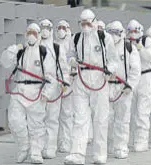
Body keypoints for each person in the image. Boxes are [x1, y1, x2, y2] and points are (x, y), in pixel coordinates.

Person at [64, 9, 118, 165]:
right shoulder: (76, 38)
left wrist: (110, 70)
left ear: (94, 22)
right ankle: (77, 154)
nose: (85, 26)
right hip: (81, 79)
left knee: (100, 118)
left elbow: (114, 60)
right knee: (79, 118)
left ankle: (100, 155)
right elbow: (70, 55)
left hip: (100, 79)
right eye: (83, 23)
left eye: (88, 22)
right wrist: (72, 61)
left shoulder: (104, 38)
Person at [0, 23, 57, 164]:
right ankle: (23, 146)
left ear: (38, 36)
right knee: (15, 121)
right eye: (29, 32)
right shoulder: (21, 51)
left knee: (36, 124)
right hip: (19, 91)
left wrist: (46, 93)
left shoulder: (44, 52)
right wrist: (14, 49)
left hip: (36, 93)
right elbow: (5, 62)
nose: (31, 35)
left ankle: (36, 152)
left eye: (34, 32)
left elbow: (51, 77)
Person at [107, 21, 141, 158]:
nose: (113, 36)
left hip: (123, 88)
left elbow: (136, 69)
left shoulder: (129, 48)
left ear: (121, 33)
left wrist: (130, 85)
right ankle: (108, 145)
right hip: (107, 86)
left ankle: (121, 147)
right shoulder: (104, 47)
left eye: (116, 33)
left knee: (122, 119)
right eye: (111, 32)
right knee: (106, 118)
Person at [125, 20, 151, 151]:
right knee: (130, 110)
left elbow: (150, 57)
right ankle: (130, 138)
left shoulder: (146, 41)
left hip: (145, 77)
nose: (133, 34)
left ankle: (142, 140)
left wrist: (139, 47)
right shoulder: (125, 43)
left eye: (135, 31)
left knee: (143, 111)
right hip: (132, 78)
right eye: (130, 31)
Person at [39, 19, 66, 158]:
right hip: (37, 87)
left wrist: (63, 82)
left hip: (54, 87)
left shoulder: (56, 48)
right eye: (42, 27)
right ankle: (38, 147)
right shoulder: (34, 45)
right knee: (38, 119)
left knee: (52, 119)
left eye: (47, 27)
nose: (44, 30)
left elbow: (63, 68)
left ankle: (50, 148)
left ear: (51, 29)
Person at [54, 20, 75, 153]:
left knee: (67, 114)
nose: (61, 30)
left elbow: (74, 63)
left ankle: (66, 142)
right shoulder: (53, 45)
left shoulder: (71, 45)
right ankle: (53, 142)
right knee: (53, 115)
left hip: (69, 83)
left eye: (64, 27)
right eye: (59, 27)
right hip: (55, 83)